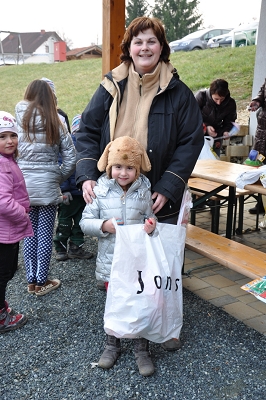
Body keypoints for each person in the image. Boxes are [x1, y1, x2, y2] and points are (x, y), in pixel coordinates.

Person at [75, 16, 204, 352]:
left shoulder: (178, 92)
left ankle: (162, 326)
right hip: (118, 192)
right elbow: (87, 132)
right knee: (123, 261)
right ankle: (122, 327)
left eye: (152, 41)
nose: (144, 47)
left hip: (159, 194)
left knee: (162, 262)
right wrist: (88, 173)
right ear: (128, 48)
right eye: (138, 41)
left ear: (162, 48)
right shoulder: (110, 86)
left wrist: (169, 185)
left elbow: (191, 142)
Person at [80, 136, 157, 376]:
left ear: (138, 168)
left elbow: (149, 217)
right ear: (109, 166)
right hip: (111, 263)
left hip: (137, 262)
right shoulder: (100, 191)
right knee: (115, 303)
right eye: (118, 167)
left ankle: (141, 348)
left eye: (130, 168)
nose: (123, 173)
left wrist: (151, 226)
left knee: (139, 301)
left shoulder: (144, 190)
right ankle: (112, 344)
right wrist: (104, 226)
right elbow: (85, 222)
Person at [15, 79, 76, 296]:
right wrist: (56, 178)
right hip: (49, 188)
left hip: (24, 189)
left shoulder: (17, 122)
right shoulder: (57, 122)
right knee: (44, 234)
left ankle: (31, 281)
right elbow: (71, 158)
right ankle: (42, 281)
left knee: (28, 233)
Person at [0, 111, 33, 333]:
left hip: (7, 229)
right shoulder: (2, 164)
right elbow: (2, 200)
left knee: (7, 271)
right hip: (5, 230)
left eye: (12, 135)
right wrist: (22, 213)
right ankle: (1, 317)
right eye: (2, 137)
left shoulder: (7, 160)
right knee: (4, 272)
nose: (9, 141)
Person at [53, 114, 94, 261]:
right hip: (71, 194)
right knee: (65, 221)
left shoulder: (89, 145)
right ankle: (61, 248)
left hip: (82, 193)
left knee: (79, 222)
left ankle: (74, 248)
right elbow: (61, 166)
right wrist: (63, 189)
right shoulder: (68, 145)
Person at [195, 78, 237, 156]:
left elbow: (230, 121)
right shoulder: (201, 96)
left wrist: (226, 131)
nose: (218, 102)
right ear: (211, 93)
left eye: (222, 99)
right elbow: (191, 117)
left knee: (214, 159)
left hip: (216, 136)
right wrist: (206, 127)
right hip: (198, 135)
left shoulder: (230, 103)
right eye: (216, 99)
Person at [248, 79, 266, 214]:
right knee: (261, 169)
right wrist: (257, 102)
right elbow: (261, 93)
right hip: (262, 132)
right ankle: (260, 204)